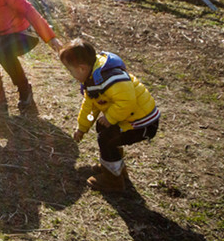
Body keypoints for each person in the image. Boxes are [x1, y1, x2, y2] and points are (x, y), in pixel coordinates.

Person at [59, 38, 160, 192]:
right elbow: (90, 109)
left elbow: (128, 101)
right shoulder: (92, 79)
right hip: (129, 118)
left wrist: (110, 118)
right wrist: (82, 128)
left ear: (81, 68)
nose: (71, 75)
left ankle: (114, 180)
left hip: (143, 123)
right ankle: (113, 166)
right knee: (103, 128)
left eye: (70, 70)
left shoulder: (110, 78)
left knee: (107, 138)